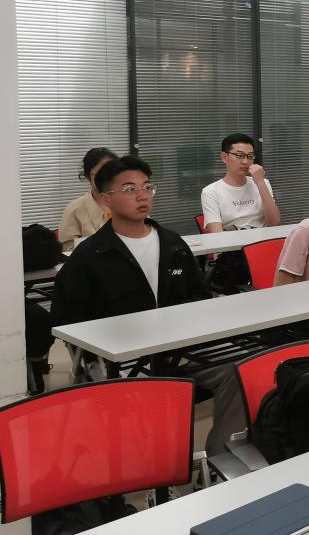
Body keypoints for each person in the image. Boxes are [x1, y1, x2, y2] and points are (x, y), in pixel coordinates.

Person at [51, 155, 244, 454]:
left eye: (147, 187)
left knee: (242, 368)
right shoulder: (90, 256)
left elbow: (200, 296)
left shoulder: (172, 243)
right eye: (129, 189)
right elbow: (65, 321)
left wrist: (179, 327)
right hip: (124, 362)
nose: (142, 195)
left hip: (178, 353)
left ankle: (223, 458)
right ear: (106, 199)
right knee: (152, 416)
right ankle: (153, 462)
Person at [201, 133, 280, 233]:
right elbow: (216, 234)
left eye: (250, 156)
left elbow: (274, 223)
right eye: (240, 156)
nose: (245, 162)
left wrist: (260, 183)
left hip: (263, 240)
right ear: (224, 157)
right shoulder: (211, 192)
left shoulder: (262, 183)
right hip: (232, 241)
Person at [58, 147, 117, 250]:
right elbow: (68, 249)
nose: (107, 177)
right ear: (87, 176)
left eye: (111, 172)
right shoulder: (75, 209)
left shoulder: (130, 202)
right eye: (100, 173)